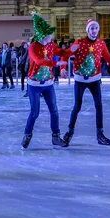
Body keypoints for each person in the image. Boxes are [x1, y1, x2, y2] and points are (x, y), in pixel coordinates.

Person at [64, 19, 110, 147]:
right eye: (92, 28)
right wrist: (62, 68)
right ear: (88, 30)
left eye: (96, 28)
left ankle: (100, 134)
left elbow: (109, 59)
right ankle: (69, 132)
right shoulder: (80, 42)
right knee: (77, 106)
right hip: (81, 79)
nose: (94, 31)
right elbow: (66, 54)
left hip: (95, 79)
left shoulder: (101, 43)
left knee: (99, 105)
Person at [21, 13, 72, 149]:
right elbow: (39, 60)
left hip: (48, 84)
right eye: (50, 34)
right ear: (43, 35)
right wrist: (55, 64)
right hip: (34, 85)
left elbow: (61, 53)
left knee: (54, 110)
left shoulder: (50, 45)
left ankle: (56, 136)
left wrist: (64, 63)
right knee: (34, 112)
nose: (52, 37)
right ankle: (27, 135)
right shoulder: (33, 47)